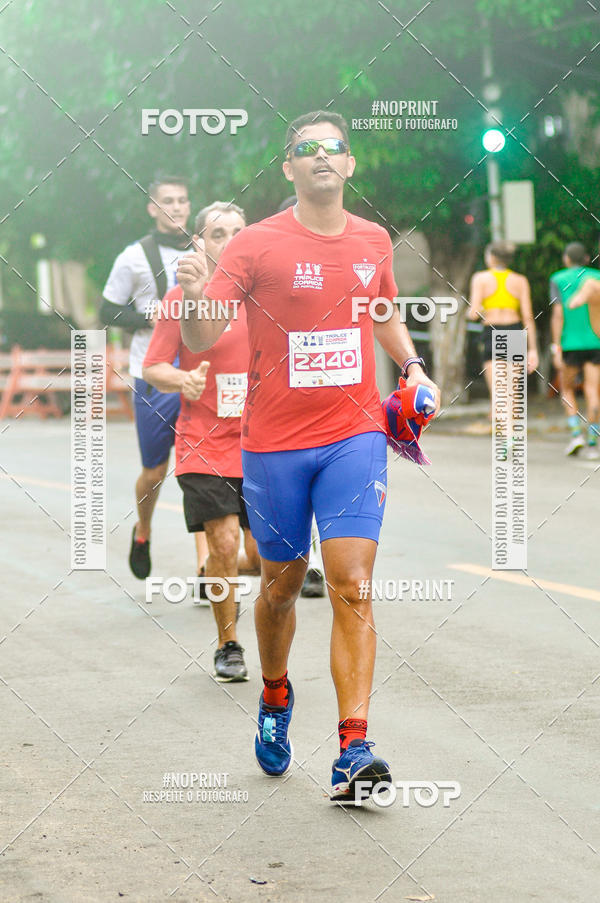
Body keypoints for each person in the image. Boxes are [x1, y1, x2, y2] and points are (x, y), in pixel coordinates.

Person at [177, 111, 441, 802]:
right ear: (288, 165)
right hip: (272, 446)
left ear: (350, 165)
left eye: (334, 147)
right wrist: (197, 292)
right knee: (281, 587)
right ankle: (273, 693)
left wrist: (411, 367)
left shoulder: (372, 238)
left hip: (354, 435)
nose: (322, 156)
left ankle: (354, 747)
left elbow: (380, 311)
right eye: (306, 148)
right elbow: (204, 335)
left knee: (352, 580)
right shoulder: (255, 246)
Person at [143, 201, 259, 681]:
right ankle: (228, 643)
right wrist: (182, 381)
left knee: (266, 558)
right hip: (204, 441)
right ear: (199, 243)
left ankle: (222, 578)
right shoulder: (180, 299)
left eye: (237, 231)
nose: (228, 241)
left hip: (265, 441)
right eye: (217, 234)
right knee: (224, 541)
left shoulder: (265, 297)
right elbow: (153, 366)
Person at [100, 175, 208, 580]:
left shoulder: (205, 249)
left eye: (182, 200)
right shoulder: (134, 257)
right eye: (168, 201)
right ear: (153, 207)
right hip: (154, 374)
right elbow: (106, 311)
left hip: (200, 371)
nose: (176, 207)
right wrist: (147, 316)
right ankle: (143, 529)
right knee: (155, 469)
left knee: (200, 467)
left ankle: (207, 565)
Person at [278, 194, 326, 599]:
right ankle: (214, 567)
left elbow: (382, 311)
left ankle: (310, 562)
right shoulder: (262, 270)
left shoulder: (340, 264)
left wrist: (412, 366)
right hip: (264, 430)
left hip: (341, 426)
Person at [468, 240, 538, 429]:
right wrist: (533, 350)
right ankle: (510, 436)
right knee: (513, 392)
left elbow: (473, 313)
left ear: (491, 257)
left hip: (492, 332)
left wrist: (477, 309)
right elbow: (528, 317)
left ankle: (504, 434)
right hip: (514, 331)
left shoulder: (480, 278)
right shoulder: (520, 280)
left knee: (498, 393)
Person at [550, 242, 600, 458]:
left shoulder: (558, 279)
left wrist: (556, 345)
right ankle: (592, 440)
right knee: (592, 390)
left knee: (568, 389)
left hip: (570, 343)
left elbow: (558, 313)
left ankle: (575, 435)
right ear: (587, 259)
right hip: (596, 342)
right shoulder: (596, 278)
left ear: (566, 259)